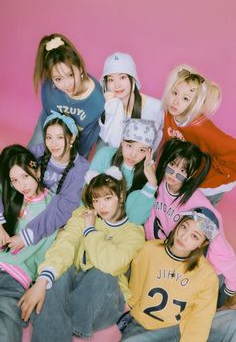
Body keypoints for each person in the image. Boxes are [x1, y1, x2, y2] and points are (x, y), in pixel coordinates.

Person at [18, 167, 145, 342]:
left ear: (121, 197)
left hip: (103, 298)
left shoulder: (134, 232)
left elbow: (111, 264)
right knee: (58, 277)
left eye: (108, 198)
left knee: (102, 275)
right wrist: (43, 280)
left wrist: (90, 230)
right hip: (74, 284)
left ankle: (51, 316)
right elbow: (66, 244)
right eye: (96, 200)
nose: (102, 206)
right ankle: (55, 320)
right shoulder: (83, 215)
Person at [126, 139, 236, 303]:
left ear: (191, 175)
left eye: (182, 171)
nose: (173, 174)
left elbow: (221, 249)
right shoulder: (157, 183)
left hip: (182, 263)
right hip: (155, 252)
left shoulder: (198, 206)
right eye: (172, 165)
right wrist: (150, 183)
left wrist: (229, 287)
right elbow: (135, 215)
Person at [120, 207, 219, 341]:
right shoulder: (149, 249)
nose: (184, 237)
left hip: (173, 332)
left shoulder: (207, 276)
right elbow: (135, 288)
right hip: (140, 324)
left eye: (194, 236)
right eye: (184, 227)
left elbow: (200, 320)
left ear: (203, 243)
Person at [1, 111, 89, 252]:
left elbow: (63, 208)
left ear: (71, 138)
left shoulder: (80, 169)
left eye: (60, 137)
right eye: (49, 137)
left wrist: (26, 236)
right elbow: (9, 176)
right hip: (25, 210)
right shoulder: (38, 152)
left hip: (49, 222)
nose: (53, 144)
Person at [0, 145, 57, 342]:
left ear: (38, 171)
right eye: (14, 179)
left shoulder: (52, 206)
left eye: (25, 176)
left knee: (5, 329)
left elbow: (49, 252)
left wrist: (40, 281)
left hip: (15, 277)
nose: (21, 184)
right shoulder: (13, 195)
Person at [161, 64, 236, 203]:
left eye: (185, 99)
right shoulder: (169, 113)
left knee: (198, 216)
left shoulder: (200, 127)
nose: (176, 101)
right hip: (185, 174)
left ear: (194, 103)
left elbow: (232, 149)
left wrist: (210, 169)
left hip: (210, 181)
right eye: (175, 93)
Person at [28, 33, 105, 157]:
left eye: (70, 75)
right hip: (48, 128)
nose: (67, 84)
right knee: (27, 162)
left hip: (77, 142)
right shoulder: (48, 87)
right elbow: (47, 118)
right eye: (58, 79)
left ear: (80, 68)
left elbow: (85, 143)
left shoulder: (98, 101)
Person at [98, 52, 163, 151]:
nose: (117, 85)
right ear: (106, 84)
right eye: (111, 80)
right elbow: (111, 143)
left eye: (122, 77)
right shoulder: (109, 108)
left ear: (133, 79)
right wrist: (112, 108)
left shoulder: (156, 107)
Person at [90, 118, 159, 194]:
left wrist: (152, 182)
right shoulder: (105, 154)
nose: (133, 155)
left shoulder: (147, 172)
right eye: (129, 146)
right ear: (122, 142)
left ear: (149, 152)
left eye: (142, 150)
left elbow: (141, 205)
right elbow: (88, 191)